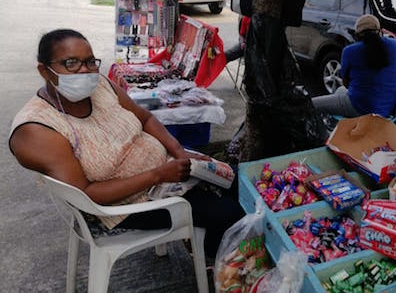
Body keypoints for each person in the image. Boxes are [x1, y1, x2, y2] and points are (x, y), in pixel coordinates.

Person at [9, 29, 244, 257]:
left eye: (90, 62)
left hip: (167, 168)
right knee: (232, 211)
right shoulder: (36, 129)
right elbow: (86, 194)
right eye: (71, 63)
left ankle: (209, 244)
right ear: (45, 70)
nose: (85, 71)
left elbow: (146, 118)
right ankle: (213, 258)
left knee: (243, 182)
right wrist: (158, 175)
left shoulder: (100, 85)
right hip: (124, 206)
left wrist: (179, 151)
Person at [312, 15, 396, 118]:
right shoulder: (394, 45)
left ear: (357, 36)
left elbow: (346, 83)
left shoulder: (349, 51)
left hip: (359, 108)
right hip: (385, 112)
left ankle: (329, 130)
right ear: (380, 32)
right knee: (340, 91)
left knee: (310, 104)